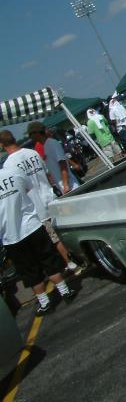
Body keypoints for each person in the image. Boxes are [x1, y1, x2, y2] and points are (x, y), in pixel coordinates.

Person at [0, 130, 80, 274]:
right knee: (65, 230)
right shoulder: (32, 153)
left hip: (37, 206)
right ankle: (81, 254)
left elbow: (20, 191)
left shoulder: (9, 165)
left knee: (55, 238)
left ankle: (72, 264)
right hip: (50, 197)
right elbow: (47, 174)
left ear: (2, 145)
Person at [0, 167, 76, 315]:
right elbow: (30, 190)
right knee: (48, 259)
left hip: (12, 236)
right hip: (32, 225)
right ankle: (65, 291)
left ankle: (44, 302)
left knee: (29, 270)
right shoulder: (14, 171)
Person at [27, 121, 80, 194]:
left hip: (71, 187)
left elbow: (62, 163)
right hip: (64, 188)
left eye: (30, 134)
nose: (30, 137)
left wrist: (66, 185)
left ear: (37, 133)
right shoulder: (46, 146)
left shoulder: (52, 143)